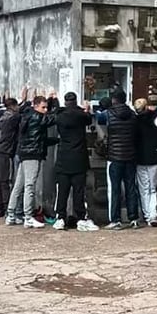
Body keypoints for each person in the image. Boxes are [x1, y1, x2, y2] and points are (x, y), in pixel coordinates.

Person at [6, 95, 57, 228]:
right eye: (43, 107)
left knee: (18, 185)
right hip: (33, 154)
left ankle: (11, 214)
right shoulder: (36, 117)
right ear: (35, 106)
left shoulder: (26, 115)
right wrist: (56, 104)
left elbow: (40, 137)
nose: (45, 110)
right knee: (29, 185)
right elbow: (51, 119)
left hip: (24, 153)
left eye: (46, 107)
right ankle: (28, 216)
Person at [52, 92, 99, 231]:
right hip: (78, 158)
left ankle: (60, 217)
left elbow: (54, 112)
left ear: (65, 102)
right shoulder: (80, 115)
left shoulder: (59, 116)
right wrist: (87, 109)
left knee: (62, 191)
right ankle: (81, 218)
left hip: (63, 158)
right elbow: (89, 119)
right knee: (79, 191)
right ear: (75, 101)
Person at [104, 90, 140, 230]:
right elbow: (136, 135)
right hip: (130, 156)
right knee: (131, 187)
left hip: (114, 156)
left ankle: (116, 220)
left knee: (115, 189)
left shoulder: (109, 114)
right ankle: (134, 218)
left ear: (113, 100)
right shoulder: (133, 115)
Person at [133, 98, 157, 227]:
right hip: (155, 157)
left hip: (140, 158)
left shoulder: (135, 121)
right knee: (153, 188)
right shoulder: (156, 119)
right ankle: (153, 214)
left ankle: (147, 215)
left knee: (144, 188)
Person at [0, 98, 21, 219]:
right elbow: (22, 114)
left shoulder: (3, 116)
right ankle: (6, 206)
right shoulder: (13, 117)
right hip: (6, 151)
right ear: (14, 106)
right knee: (5, 180)